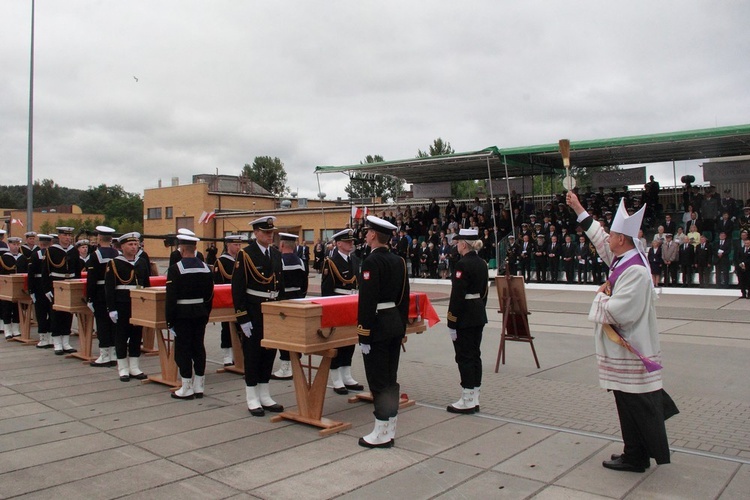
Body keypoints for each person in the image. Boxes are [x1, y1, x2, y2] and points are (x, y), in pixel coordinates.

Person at [567, 192, 678, 473]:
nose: (609, 238)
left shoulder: (635, 271)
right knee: (628, 406)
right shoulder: (623, 259)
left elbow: (619, 311)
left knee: (635, 407)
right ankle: (634, 453)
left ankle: (636, 455)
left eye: (613, 234)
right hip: (625, 353)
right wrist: (579, 208)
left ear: (622, 240)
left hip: (633, 351)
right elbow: (598, 236)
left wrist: (601, 295)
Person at [356, 215, 409, 448]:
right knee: (390, 379)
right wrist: (402, 326)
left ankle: (380, 431)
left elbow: (367, 300)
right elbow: (404, 298)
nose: (366, 235)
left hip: (376, 326)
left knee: (377, 380)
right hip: (394, 324)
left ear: (375, 235)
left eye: (368, 232)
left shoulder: (370, 262)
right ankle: (389, 428)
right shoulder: (399, 261)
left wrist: (363, 333)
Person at [231, 216, 284, 417]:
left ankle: (265, 393)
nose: (270, 236)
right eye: (265, 232)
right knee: (253, 354)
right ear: (256, 233)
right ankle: (252, 395)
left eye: (271, 232)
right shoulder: (246, 254)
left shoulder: (276, 254)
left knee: (269, 352)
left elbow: (281, 286)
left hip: (272, 309)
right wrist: (242, 317)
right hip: (253, 310)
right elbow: (238, 288)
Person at [166, 233, 215, 399]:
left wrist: (169, 320)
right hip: (200, 312)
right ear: (195, 248)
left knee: (183, 350)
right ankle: (199, 385)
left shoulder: (175, 269)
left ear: (181, 249)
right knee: (198, 347)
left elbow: (171, 298)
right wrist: (205, 312)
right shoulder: (206, 267)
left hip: (182, 314)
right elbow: (210, 295)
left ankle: (186, 386)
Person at [446, 228, 489, 414]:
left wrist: (451, 320)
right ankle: (475, 395)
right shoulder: (482, 263)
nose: (456, 245)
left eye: (458, 242)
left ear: (464, 244)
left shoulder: (462, 265)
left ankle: (467, 398)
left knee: (464, 356)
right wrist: (479, 308)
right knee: (474, 355)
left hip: (464, 316)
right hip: (478, 313)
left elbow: (457, 296)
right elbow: (485, 292)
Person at [321, 229, 364, 395]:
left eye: (352, 242)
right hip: (337, 304)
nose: (351, 244)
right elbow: (327, 290)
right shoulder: (331, 262)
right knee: (337, 343)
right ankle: (336, 378)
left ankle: (347, 375)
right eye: (347, 242)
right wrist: (329, 310)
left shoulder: (354, 259)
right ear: (338, 244)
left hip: (351, 304)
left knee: (350, 341)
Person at [106, 232, 151, 381]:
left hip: (138, 303)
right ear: (122, 246)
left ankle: (134, 366)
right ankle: (123, 367)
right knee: (121, 335)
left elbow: (147, 285)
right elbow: (110, 287)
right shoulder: (114, 263)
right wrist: (111, 308)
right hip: (122, 303)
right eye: (130, 244)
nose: (134, 247)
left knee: (136, 335)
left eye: (135, 244)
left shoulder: (142, 262)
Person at [272, 232, 308, 380]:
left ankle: (286, 366)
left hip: (283, 301)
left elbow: (277, 283)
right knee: (295, 334)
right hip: (297, 300)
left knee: (283, 335)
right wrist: (300, 298)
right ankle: (295, 364)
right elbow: (304, 284)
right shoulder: (300, 261)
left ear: (281, 245)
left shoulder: (279, 261)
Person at [41, 227, 82, 355]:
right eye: (65, 236)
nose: (68, 238)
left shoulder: (73, 251)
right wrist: (47, 289)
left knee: (68, 314)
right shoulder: (51, 251)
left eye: (69, 236)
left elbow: (77, 271)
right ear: (59, 237)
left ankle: (66, 341)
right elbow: (45, 271)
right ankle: (57, 341)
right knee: (56, 314)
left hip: (70, 283)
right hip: (56, 284)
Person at [87, 226, 120, 367]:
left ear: (99, 239)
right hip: (115, 292)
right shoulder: (118, 254)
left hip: (100, 292)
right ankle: (114, 353)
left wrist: (90, 298)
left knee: (102, 323)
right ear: (111, 239)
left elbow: (91, 279)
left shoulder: (95, 255)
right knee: (114, 324)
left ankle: (104, 355)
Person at [212, 234, 246, 367]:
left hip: (240, 299)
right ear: (228, 245)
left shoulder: (242, 260)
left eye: (239, 245)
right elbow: (218, 283)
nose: (238, 247)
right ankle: (227, 354)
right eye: (235, 245)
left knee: (241, 326)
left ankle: (240, 353)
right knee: (226, 327)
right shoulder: (221, 262)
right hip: (227, 300)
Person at [28, 234, 53, 348]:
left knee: (41, 313)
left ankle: (43, 337)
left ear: (40, 243)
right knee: (50, 312)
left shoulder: (35, 255)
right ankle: (50, 335)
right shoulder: (51, 254)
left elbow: (31, 274)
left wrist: (31, 290)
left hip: (39, 287)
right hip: (49, 286)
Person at [1, 237, 27, 338]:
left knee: (17, 307)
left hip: (19, 286)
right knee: (6, 307)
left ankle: (16, 328)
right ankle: (7, 329)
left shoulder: (22, 258)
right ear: (9, 245)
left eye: (17, 245)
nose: (16, 247)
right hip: (6, 286)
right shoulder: (4, 258)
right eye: (13, 245)